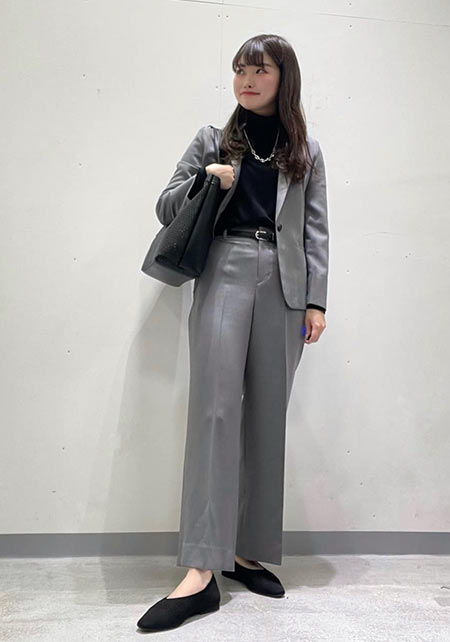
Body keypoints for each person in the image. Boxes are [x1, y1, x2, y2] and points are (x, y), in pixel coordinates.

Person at [137, 33, 329, 632]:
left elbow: (316, 229)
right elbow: (165, 206)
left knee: (267, 417)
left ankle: (246, 552)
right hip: (223, 267)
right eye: (240, 69)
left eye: (260, 70)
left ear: (283, 78)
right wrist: (207, 180)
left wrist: (316, 300)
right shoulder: (212, 140)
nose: (247, 79)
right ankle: (201, 568)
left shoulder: (306, 152)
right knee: (215, 413)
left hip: (285, 287)